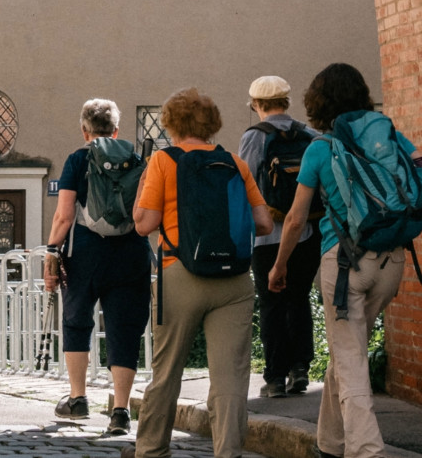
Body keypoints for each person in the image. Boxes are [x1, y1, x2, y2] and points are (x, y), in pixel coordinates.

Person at [269, 63, 420, 458]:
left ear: (318, 104)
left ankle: (367, 450)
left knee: (350, 362)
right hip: (391, 260)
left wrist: (279, 264)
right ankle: (330, 444)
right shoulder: (389, 134)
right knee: (346, 350)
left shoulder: (320, 148)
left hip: (344, 265)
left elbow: (297, 218)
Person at [126, 88, 272, 458]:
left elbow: (144, 225)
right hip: (235, 282)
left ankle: (151, 450)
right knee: (230, 377)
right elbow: (264, 222)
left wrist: (142, 188)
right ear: (212, 123)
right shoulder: (234, 162)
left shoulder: (163, 161)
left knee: (167, 369)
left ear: (171, 123)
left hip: (180, 274)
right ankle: (228, 452)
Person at [44, 99, 152, 434]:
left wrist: (52, 251)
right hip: (132, 252)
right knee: (125, 328)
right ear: (117, 130)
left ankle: (78, 399)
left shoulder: (78, 159)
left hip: (86, 253)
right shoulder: (137, 160)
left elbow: (64, 215)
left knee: (77, 321)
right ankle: (120, 410)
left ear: (84, 130)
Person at [239, 76, 323, 399]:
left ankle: (274, 377)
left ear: (256, 104)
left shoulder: (253, 138)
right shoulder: (310, 136)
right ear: (287, 102)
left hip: (266, 237)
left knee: (272, 303)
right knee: (299, 297)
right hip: (306, 232)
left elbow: (244, 182)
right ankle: (300, 367)